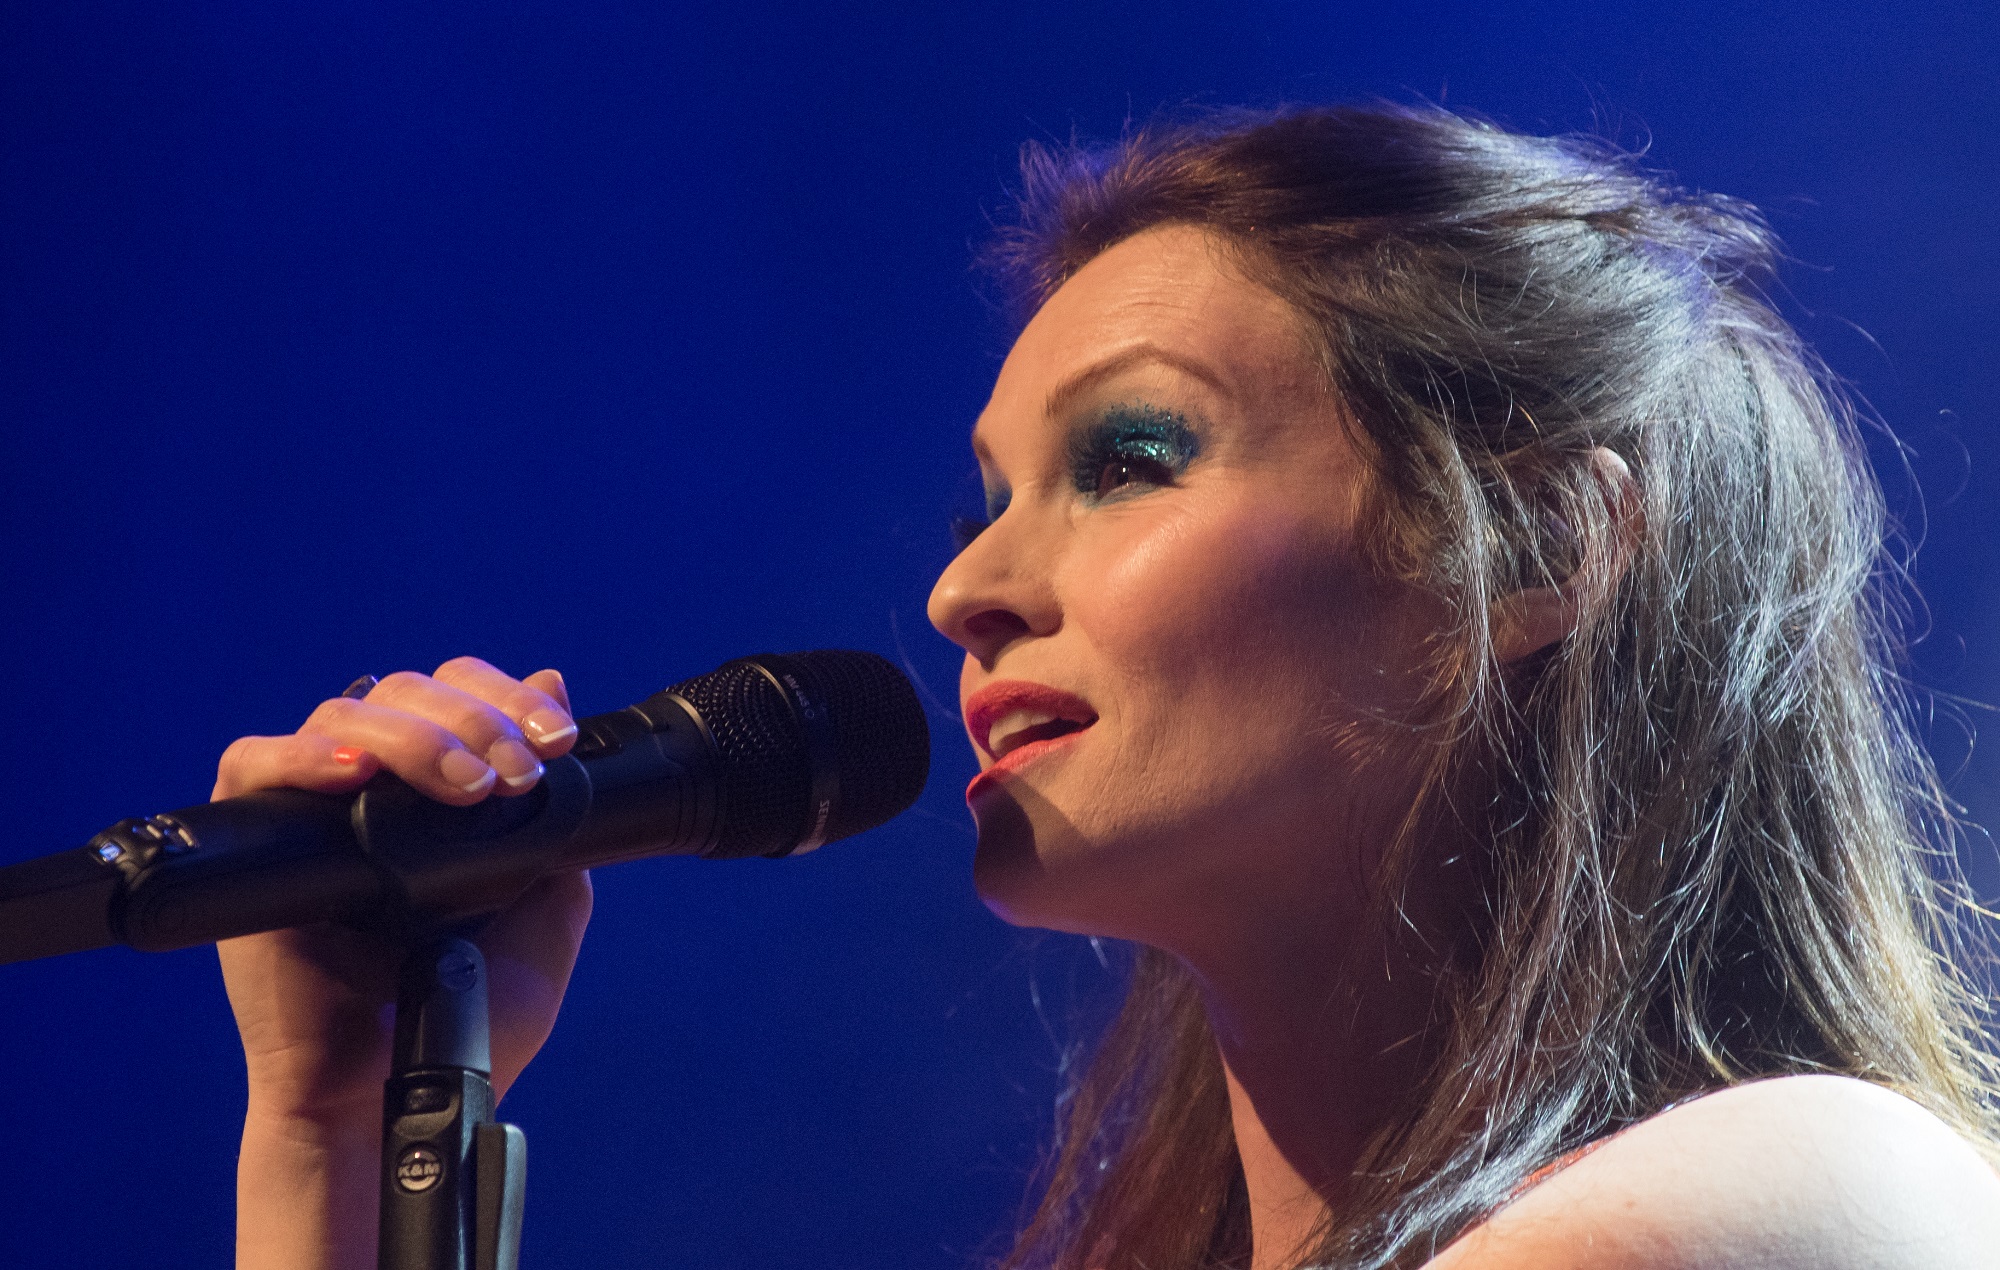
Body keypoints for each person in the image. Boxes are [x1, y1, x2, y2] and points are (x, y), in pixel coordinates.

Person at [216, 105, 2000, 1270]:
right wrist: (332, 1132)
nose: (963, 589)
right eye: (992, 494)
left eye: (1133, 457)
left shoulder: (1805, 1190)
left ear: (1532, 551)